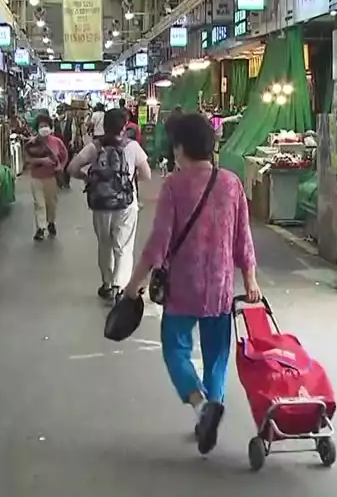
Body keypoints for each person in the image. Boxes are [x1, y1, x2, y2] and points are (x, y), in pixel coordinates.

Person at [124, 113, 261, 455]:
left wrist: (134, 284)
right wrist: (251, 279)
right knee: (216, 356)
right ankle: (212, 405)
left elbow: (159, 242)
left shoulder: (174, 184)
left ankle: (202, 408)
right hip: (219, 287)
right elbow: (242, 235)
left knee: (176, 350)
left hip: (182, 288)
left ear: (181, 147)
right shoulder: (231, 183)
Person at [70, 108, 152, 300]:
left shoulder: (94, 146)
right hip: (126, 204)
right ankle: (119, 286)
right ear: (123, 127)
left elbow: (72, 168)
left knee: (104, 245)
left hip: (100, 204)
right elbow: (147, 175)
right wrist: (130, 179)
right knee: (123, 246)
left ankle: (106, 284)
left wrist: (87, 179)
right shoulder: (132, 147)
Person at [24, 114, 68, 241]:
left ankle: (51, 222)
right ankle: (40, 228)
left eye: (46, 126)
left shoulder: (56, 142)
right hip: (36, 177)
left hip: (51, 178)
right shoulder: (32, 144)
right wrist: (41, 160)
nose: (44, 128)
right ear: (37, 128)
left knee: (51, 203)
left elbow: (64, 155)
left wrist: (61, 167)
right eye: (41, 126)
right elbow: (27, 160)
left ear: (50, 127)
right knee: (39, 204)